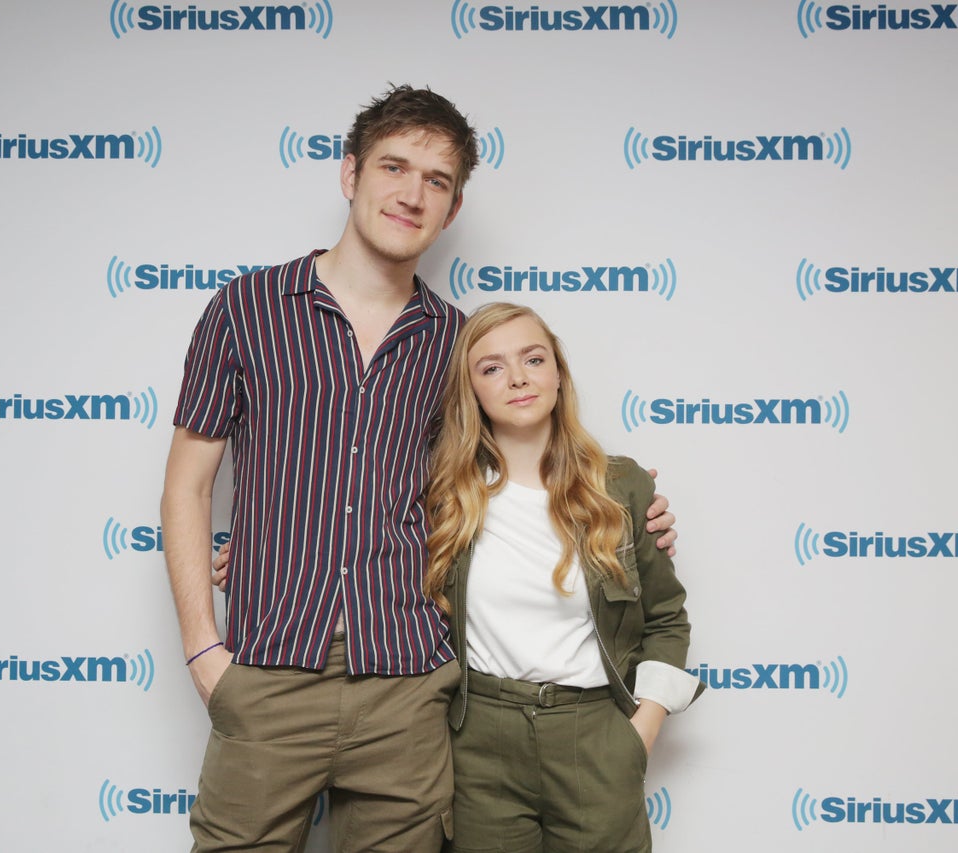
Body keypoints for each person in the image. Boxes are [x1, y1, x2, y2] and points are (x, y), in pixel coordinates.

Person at [162, 85, 678, 853]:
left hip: (409, 686)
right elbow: (188, 483)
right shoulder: (245, 309)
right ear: (350, 174)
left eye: (436, 181)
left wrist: (625, 509)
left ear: (454, 207)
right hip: (269, 671)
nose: (411, 194)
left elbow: (516, 472)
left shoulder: (458, 343)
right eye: (394, 167)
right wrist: (206, 651)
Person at [424, 302, 703, 853]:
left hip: (594, 732)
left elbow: (667, 620)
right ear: (471, 390)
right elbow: (354, 541)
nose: (519, 378)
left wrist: (637, 735)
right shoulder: (444, 495)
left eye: (533, 358)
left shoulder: (620, 487)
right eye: (492, 367)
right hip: (480, 736)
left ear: (558, 374)